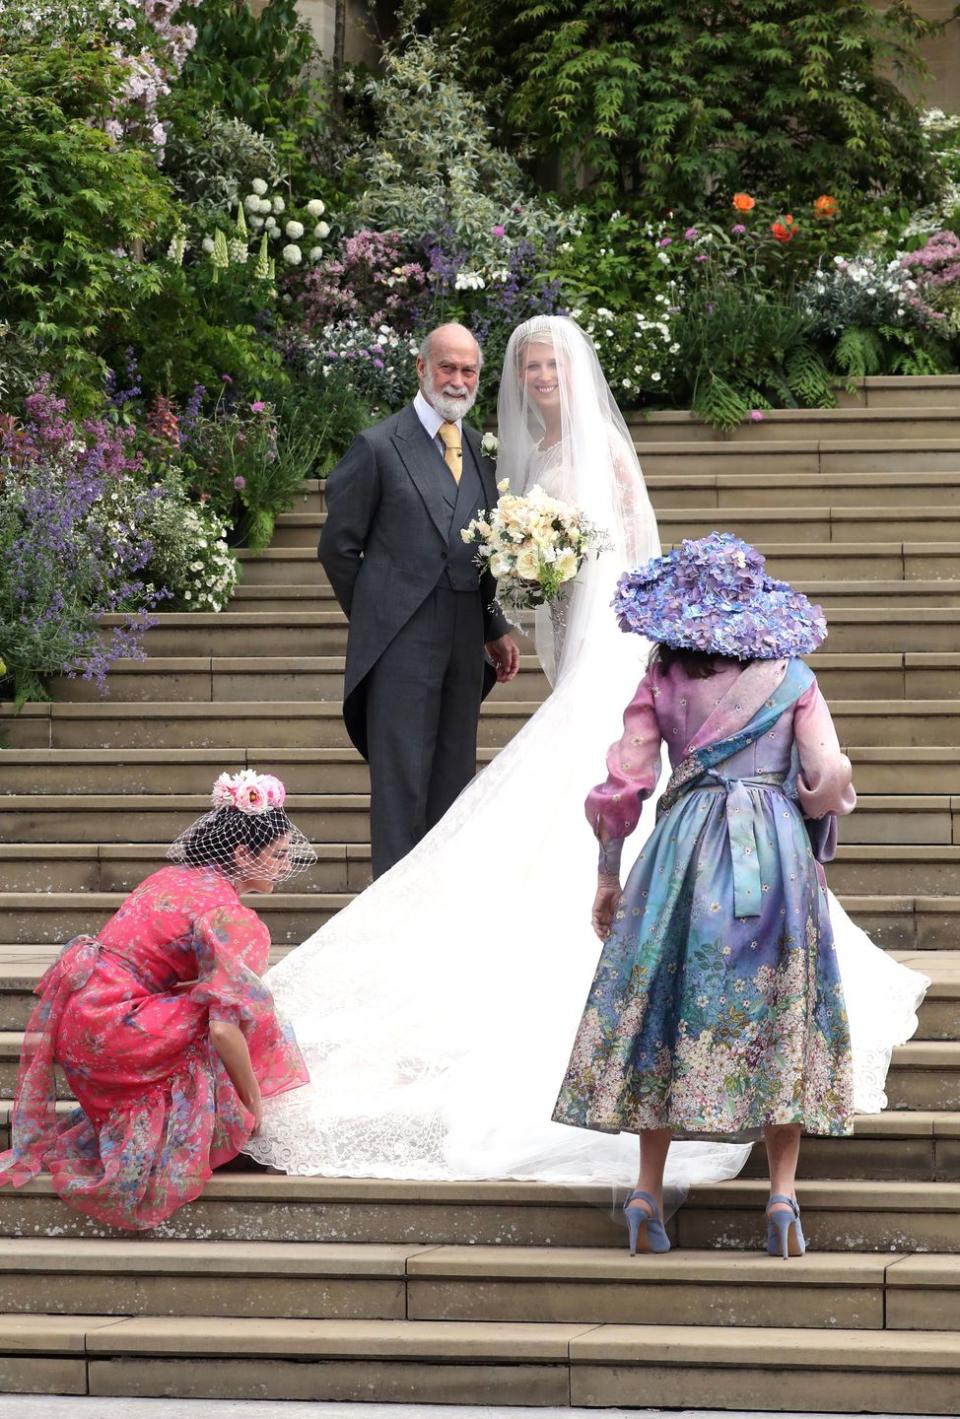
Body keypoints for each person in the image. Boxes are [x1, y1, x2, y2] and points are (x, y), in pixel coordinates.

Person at [246, 316, 926, 1198]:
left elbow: (631, 542)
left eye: (545, 366)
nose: (535, 379)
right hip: (547, 631)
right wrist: (528, 586)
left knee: (585, 756)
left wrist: (600, 606)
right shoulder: (500, 457)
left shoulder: (596, 443)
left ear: (571, 371)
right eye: (523, 367)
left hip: (609, 630)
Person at [553, 533, 858, 1258]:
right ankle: (781, 1195)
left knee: (664, 999)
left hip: (684, 847)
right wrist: (812, 820)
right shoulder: (794, 678)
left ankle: (646, 1189)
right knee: (783, 1005)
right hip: (774, 854)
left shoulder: (663, 674)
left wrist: (607, 869)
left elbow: (625, 779)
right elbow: (829, 771)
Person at [0, 771, 313, 1230]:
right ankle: (231, 1138)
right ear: (244, 853)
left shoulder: (171, 878)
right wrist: (254, 1110)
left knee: (228, 1000)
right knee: (254, 1012)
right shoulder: (231, 916)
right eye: (279, 855)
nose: (286, 867)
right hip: (115, 1032)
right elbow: (225, 1028)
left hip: (81, 1025)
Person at [319, 321, 520, 878]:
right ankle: (389, 920)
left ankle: (437, 909)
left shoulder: (482, 449)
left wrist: (492, 624)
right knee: (401, 784)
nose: (458, 380)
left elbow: (478, 548)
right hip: (399, 641)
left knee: (454, 782)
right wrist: (379, 619)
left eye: (469, 370)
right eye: (448, 367)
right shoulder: (378, 446)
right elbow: (338, 548)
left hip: (462, 639)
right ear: (421, 368)